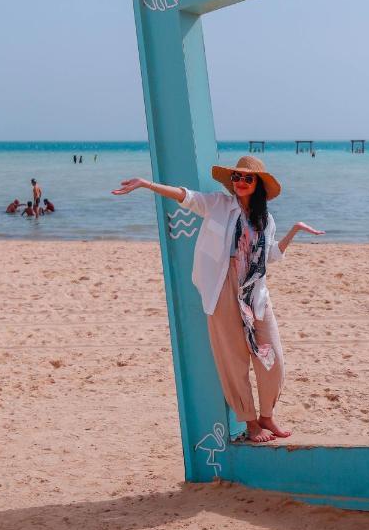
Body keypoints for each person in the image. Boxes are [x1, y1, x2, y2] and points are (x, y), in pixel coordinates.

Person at [112, 156, 324, 443]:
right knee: (233, 359)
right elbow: (185, 195)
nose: (240, 182)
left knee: (272, 357)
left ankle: (267, 416)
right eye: (237, 177)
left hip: (255, 292)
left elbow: (270, 256)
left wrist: (295, 229)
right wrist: (147, 184)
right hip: (222, 288)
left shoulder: (267, 219)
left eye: (247, 178)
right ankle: (250, 422)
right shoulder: (218, 205)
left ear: (258, 184)